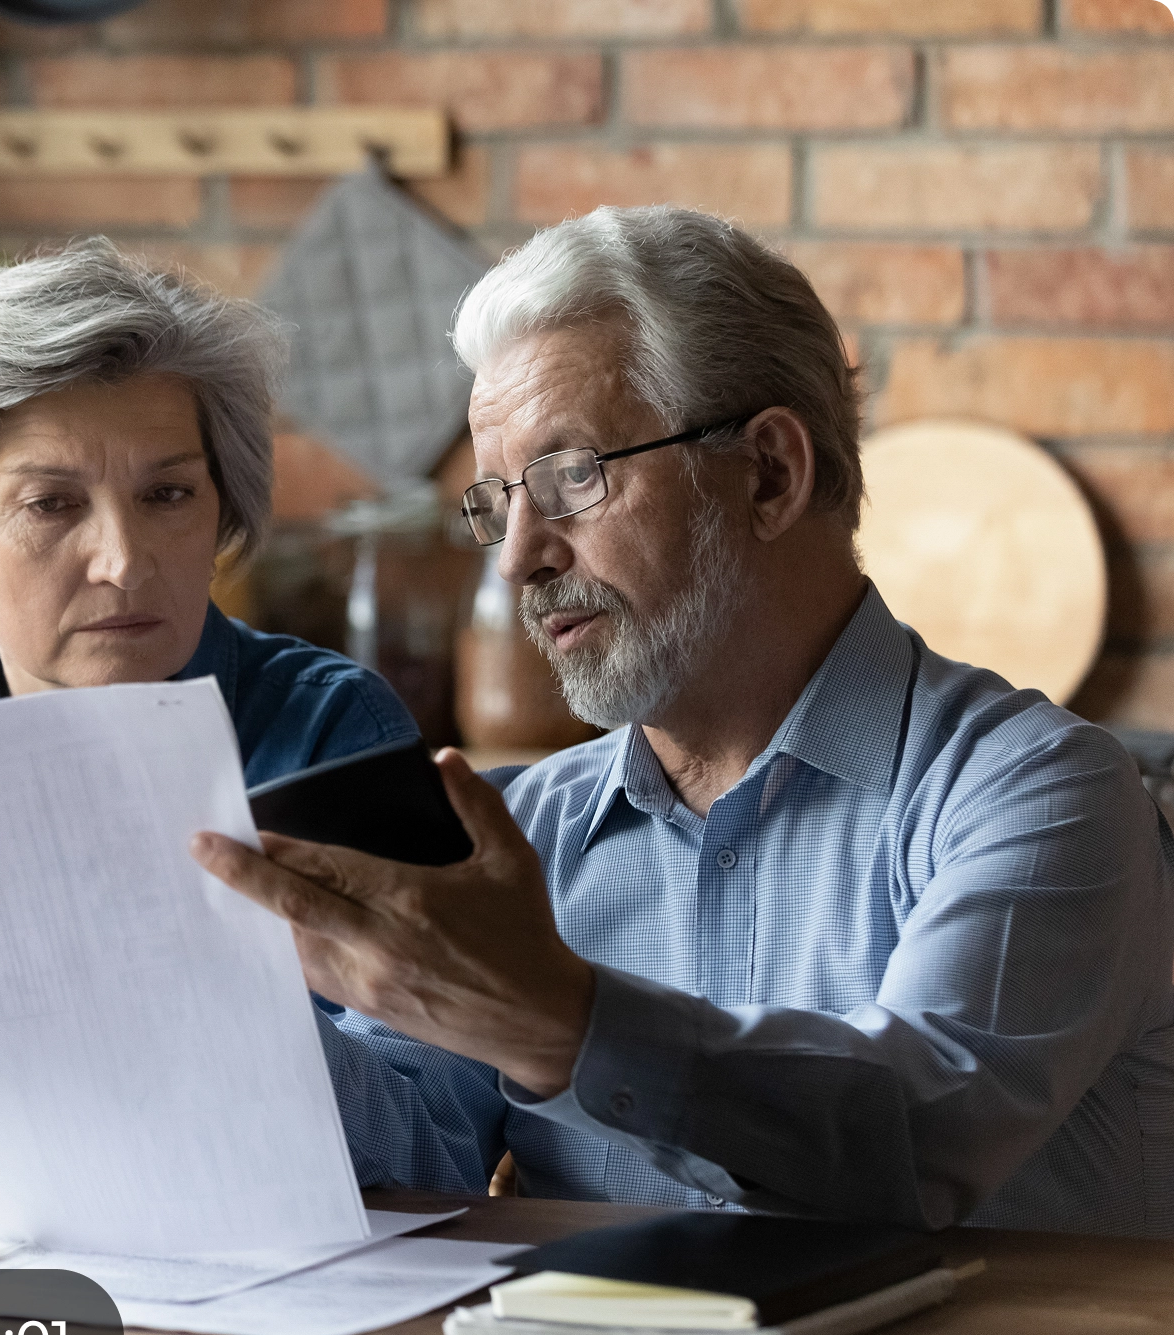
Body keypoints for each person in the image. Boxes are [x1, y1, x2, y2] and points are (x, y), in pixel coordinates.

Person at [196, 205, 1174, 1236]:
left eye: (571, 477)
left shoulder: (1043, 795)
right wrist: (221, 1010)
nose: (517, 555)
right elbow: (417, 1145)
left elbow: (914, 1142)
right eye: (495, 502)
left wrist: (567, 1025)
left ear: (769, 473)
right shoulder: (521, 831)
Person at [0, 239, 416, 1167]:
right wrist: (37, 946)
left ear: (220, 511)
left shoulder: (331, 728)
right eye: (52, 504)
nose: (125, 561)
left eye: (168, 493)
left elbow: (422, 1127)